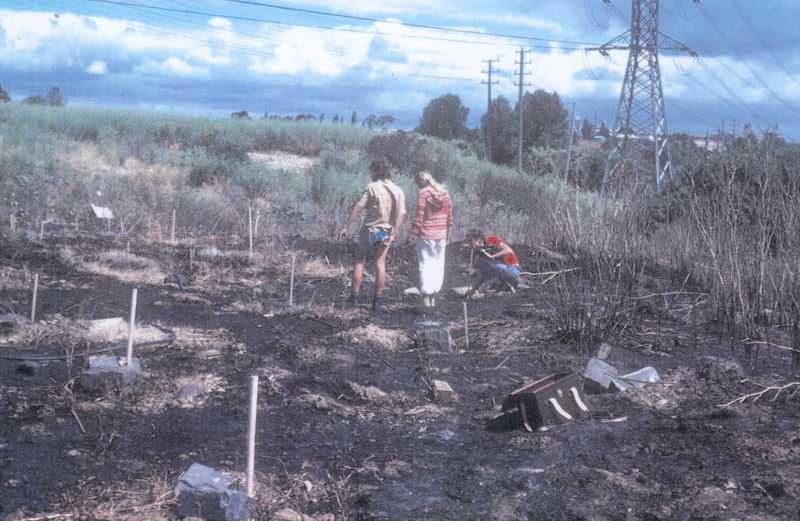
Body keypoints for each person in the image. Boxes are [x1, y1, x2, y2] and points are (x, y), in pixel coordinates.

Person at [337, 158, 406, 310]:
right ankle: (377, 301)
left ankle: (354, 298)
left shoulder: (372, 187)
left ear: (376, 171)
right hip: (386, 232)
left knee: (360, 261)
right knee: (380, 263)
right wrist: (394, 233)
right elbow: (401, 215)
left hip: (370, 231)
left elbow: (358, 207)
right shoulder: (398, 191)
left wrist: (345, 226)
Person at [407, 171, 453, 308]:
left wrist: (411, 235)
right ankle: (433, 296)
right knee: (438, 265)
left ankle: (426, 297)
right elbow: (450, 217)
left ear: (421, 181)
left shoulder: (423, 193)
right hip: (441, 235)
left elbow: (419, 217)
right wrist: (449, 234)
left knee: (425, 265)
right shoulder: (445, 193)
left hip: (426, 234)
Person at [465, 229, 521, 297]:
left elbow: (508, 250)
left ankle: (497, 284)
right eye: (468, 242)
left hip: (513, 269)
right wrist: (472, 291)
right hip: (503, 272)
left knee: (482, 263)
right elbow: (482, 273)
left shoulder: (491, 240)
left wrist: (492, 256)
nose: (470, 245)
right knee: (480, 267)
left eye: (471, 241)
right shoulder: (480, 252)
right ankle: (505, 285)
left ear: (478, 239)